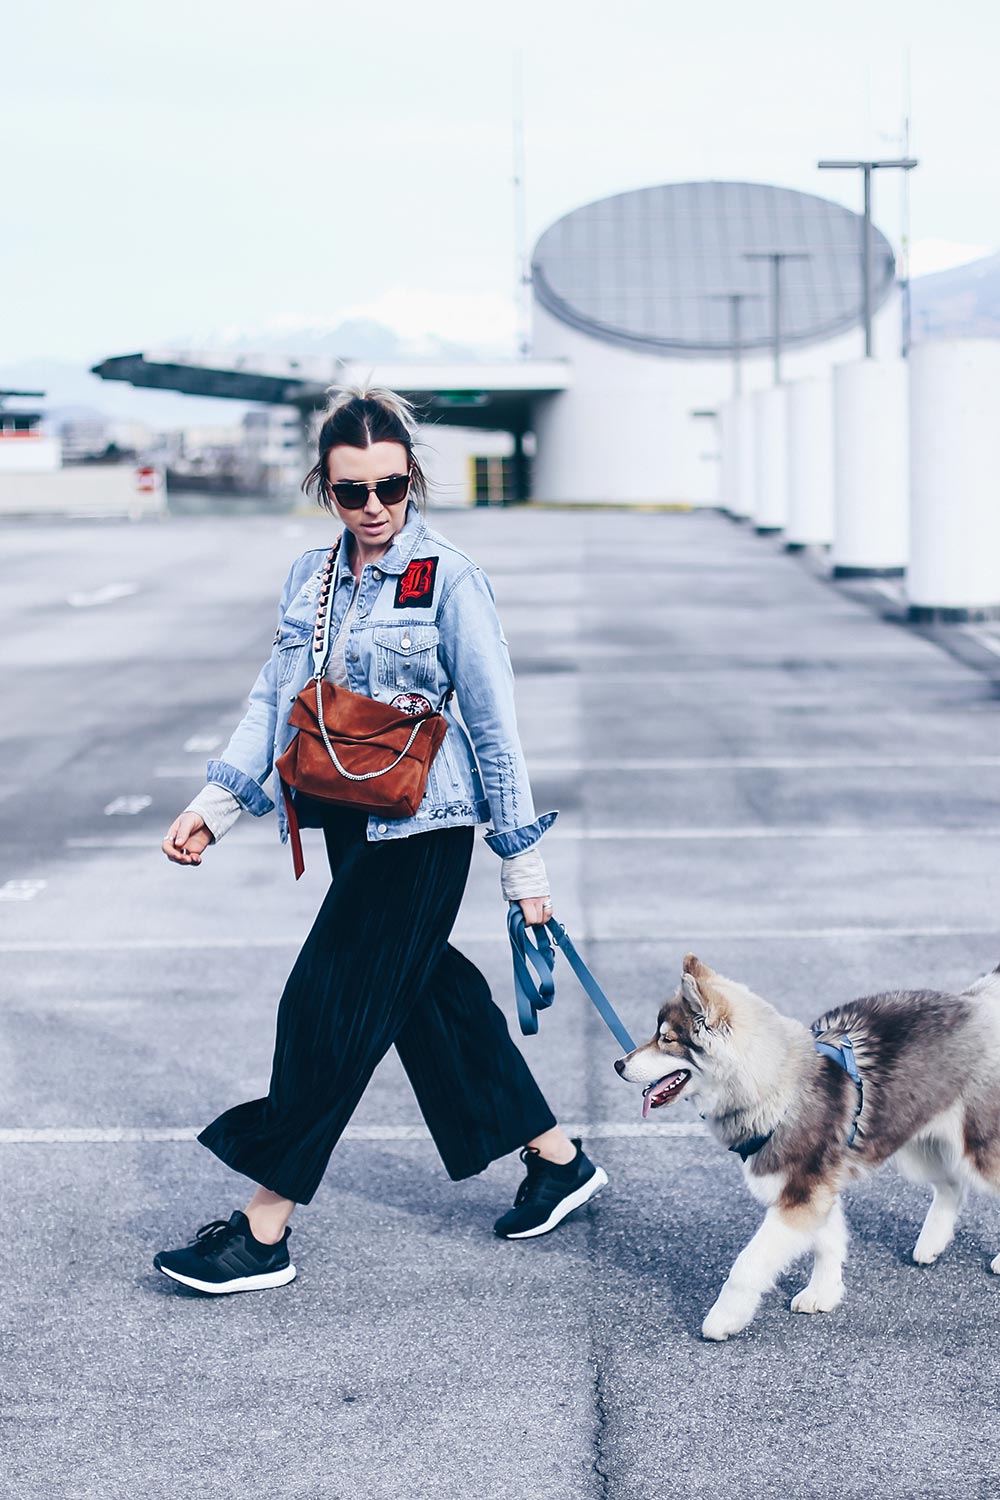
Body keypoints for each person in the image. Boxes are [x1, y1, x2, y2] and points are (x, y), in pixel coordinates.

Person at [153, 386, 607, 1294]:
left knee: (329, 1002)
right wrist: (217, 802)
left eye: (391, 489)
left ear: (413, 483)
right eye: (352, 490)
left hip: (427, 825)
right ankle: (557, 1161)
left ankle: (263, 1228)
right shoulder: (309, 580)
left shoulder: (453, 580)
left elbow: (495, 730)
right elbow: (272, 703)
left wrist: (524, 866)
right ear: (326, 486)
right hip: (347, 819)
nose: (373, 510)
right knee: (423, 993)